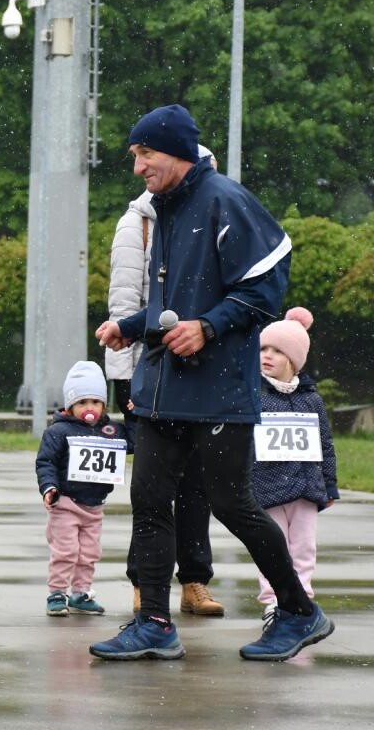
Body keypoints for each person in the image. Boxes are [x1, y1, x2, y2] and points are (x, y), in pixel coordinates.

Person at [92, 103, 333, 662]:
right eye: (135, 156)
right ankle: (154, 622)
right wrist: (131, 326)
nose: (138, 168)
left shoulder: (225, 200)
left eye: (145, 154)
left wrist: (208, 327)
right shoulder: (164, 208)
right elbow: (175, 301)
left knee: (232, 504)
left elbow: (264, 289)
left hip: (218, 392)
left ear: (176, 152)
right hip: (161, 389)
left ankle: (299, 611)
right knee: (150, 501)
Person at [107, 146, 223, 618]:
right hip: (150, 374)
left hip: (200, 373)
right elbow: (124, 302)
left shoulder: (214, 218)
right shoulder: (137, 223)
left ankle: (195, 580)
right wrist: (123, 380)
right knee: (152, 490)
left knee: (198, 484)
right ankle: (145, 582)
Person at [251, 307, 339, 617]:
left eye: (278, 351)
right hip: (266, 487)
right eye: (263, 348)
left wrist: (329, 485)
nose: (268, 355)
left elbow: (325, 444)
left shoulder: (312, 399)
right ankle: (273, 600)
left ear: (294, 360)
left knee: (303, 548)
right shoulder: (252, 396)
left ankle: (302, 599)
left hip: (306, 489)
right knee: (271, 546)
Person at [36, 362, 124, 617]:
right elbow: (46, 462)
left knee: (89, 553)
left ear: (104, 405)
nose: (89, 408)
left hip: (95, 506)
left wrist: (133, 414)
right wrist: (49, 487)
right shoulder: (58, 431)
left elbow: (134, 441)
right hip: (66, 503)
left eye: (95, 402)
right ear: (70, 405)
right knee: (66, 551)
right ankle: (57, 593)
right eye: (82, 402)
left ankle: (80, 593)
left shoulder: (111, 430)